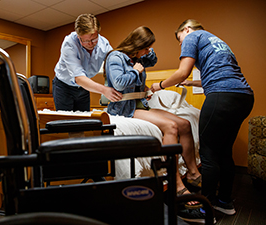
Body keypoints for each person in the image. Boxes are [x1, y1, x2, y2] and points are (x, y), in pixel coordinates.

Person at [151, 19, 254, 222]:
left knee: (209, 154)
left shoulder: (192, 36)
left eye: (179, 39)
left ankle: (206, 210)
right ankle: (224, 203)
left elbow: (182, 71)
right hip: (243, 96)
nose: (181, 44)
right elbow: (217, 72)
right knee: (224, 151)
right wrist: (191, 82)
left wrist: (159, 85)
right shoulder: (217, 41)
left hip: (221, 95)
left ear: (186, 30)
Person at [104, 26, 202, 207]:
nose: (148, 52)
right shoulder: (115, 57)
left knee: (184, 123)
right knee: (171, 127)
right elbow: (118, 83)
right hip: (125, 108)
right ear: (137, 45)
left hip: (141, 104)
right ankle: (176, 183)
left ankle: (193, 173)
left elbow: (153, 59)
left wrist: (147, 52)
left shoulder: (137, 58)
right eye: (146, 47)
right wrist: (136, 71)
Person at [53, 14, 122, 111]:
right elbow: (79, 78)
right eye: (85, 41)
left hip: (84, 88)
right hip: (64, 87)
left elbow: (116, 63)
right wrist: (104, 90)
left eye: (94, 39)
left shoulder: (104, 44)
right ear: (78, 36)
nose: (90, 44)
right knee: (65, 122)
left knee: (84, 121)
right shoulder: (69, 44)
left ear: (98, 33)